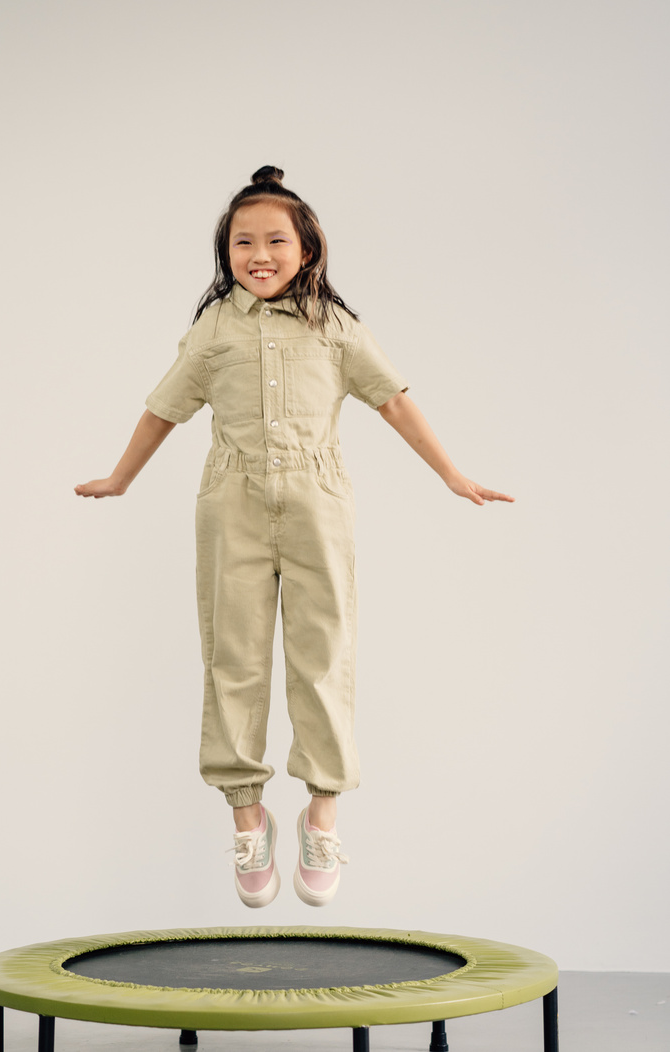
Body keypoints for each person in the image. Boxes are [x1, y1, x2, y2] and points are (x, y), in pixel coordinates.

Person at [75, 166, 514, 909]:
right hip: (231, 501)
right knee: (233, 659)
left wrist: (451, 474)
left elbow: (395, 404)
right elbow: (163, 409)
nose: (259, 253)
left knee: (323, 655)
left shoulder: (335, 328)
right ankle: (248, 818)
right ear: (226, 253)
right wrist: (121, 477)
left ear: (306, 249)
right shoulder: (214, 329)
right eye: (242, 241)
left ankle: (321, 814)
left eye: (276, 239)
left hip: (318, 500)